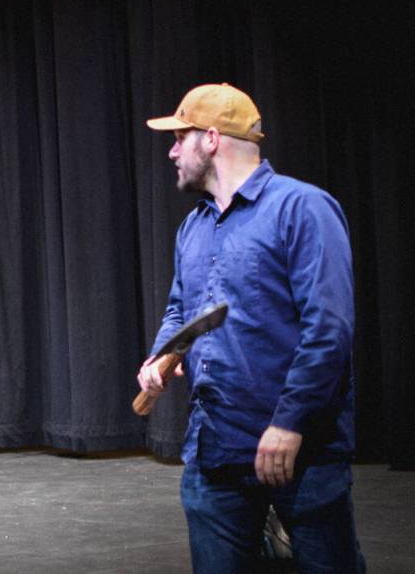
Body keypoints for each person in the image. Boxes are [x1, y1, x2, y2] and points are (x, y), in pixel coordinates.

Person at [136, 83, 365, 572]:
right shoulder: (194, 227)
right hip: (216, 450)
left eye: (180, 138)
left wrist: (289, 423)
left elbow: (328, 330)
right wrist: (161, 354)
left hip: (299, 452)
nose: (172, 152)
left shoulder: (302, 208)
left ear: (211, 139)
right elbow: (181, 309)